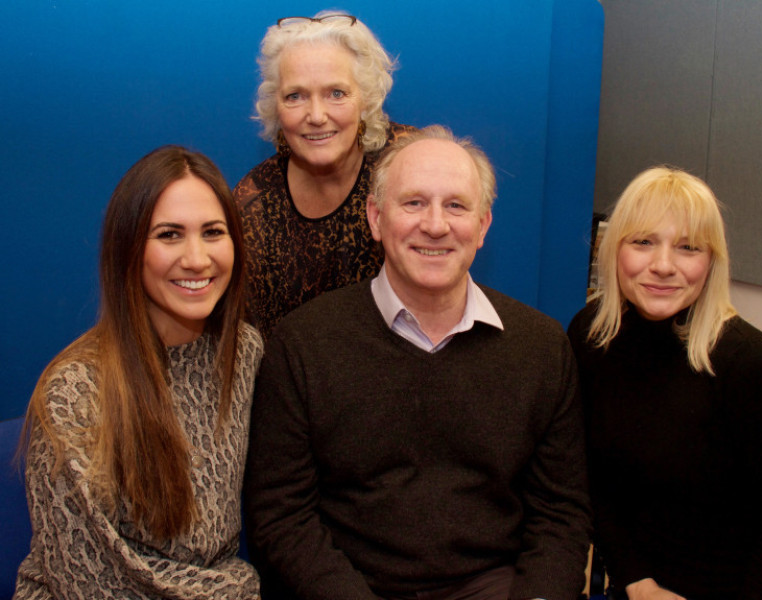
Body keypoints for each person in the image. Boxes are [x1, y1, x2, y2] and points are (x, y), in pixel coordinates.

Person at [243, 125, 591, 600]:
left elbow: (560, 515)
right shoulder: (302, 344)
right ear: (375, 218)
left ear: (484, 225)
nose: (435, 225)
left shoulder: (542, 348)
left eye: (456, 205)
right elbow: (281, 517)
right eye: (413, 203)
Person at [568, 167, 762, 600]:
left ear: (711, 261)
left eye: (688, 247)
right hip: (648, 586)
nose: (663, 265)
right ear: (614, 249)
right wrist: (638, 581)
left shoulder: (751, 363)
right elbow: (591, 478)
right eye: (643, 242)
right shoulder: (590, 336)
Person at [14, 146, 263, 599]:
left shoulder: (244, 353)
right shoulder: (75, 389)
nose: (196, 258)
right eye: (169, 235)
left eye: (213, 232)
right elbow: (89, 579)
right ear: (128, 249)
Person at [235, 11, 415, 339]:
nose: (316, 116)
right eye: (295, 96)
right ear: (275, 107)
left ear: (366, 99)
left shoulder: (410, 164)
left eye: (336, 93)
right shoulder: (254, 204)